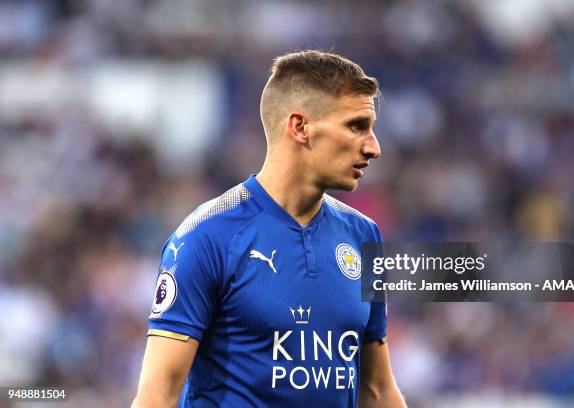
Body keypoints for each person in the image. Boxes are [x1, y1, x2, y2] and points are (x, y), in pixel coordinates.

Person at [132, 50, 406, 407]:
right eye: (356, 126)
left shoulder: (363, 235)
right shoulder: (207, 237)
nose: (374, 147)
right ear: (300, 127)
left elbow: (377, 390)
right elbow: (157, 395)